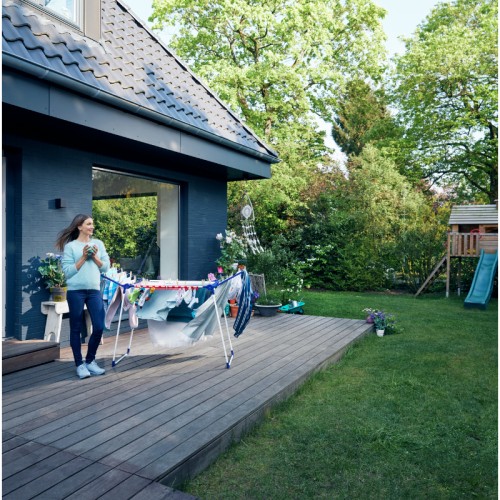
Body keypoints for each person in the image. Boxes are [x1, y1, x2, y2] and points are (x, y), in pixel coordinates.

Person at [56, 214, 110, 379]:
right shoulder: (71, 247)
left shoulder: (98, 244)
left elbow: (106, 267)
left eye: (92, 224)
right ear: (79, 227)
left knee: (99, 326)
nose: (92, 227)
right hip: (76, 292)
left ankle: (90, 361)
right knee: (76, 328)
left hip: (94, 291)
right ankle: (79, 364)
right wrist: (83, 257)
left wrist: (93, 257)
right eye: (88, 224)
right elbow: (67, 272)